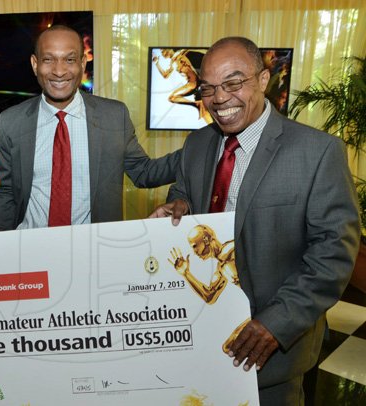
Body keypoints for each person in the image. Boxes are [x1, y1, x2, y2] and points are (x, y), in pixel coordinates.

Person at [150, 36, 360, 405]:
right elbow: (182, 194)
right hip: (199, 333)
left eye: (233, 83)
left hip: (271, 348)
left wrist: (276, 324)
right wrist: (178, 206)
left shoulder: (318, 152)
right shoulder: (197, 144)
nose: (219, 98)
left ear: (263, 80)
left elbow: (333, 254)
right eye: (209, 88)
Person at [0, 25, 180, 230]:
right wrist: (5, 245)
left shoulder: (113, 116)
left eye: (70, 59)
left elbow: (144, 172)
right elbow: (8, 192)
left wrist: (198, 151)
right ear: (34, 64)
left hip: (94, 248)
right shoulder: (11, 122)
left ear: (83, 64)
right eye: (48, 60)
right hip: (30, 246)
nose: (59, 71)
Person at [168, 224, 237, 304]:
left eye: (194, 246)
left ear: (206, 240)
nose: (194, 252)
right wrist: (186, 273)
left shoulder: (234, 248)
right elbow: (209, 297)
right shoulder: (221, 269)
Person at [152, 48, 211, 123]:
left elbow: (202, 54)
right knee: (205, 114)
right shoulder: (172, 62)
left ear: (170, 49)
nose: (162, 54)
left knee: (172, 97)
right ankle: (199, 106)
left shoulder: (183, 53)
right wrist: (157, 63)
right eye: (161, 52)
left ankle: (199, 105)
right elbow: (165, 75)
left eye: (162, 51)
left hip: (194, 83)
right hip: (192, 85)